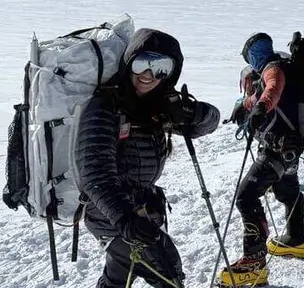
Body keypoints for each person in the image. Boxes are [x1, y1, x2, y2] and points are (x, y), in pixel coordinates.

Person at [75, 28, 221, 288]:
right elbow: (94, 173)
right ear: (129, 62)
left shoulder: (159, 105)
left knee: (119, 272)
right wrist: (125, 219)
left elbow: (208, 124)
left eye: (161, 67)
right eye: (142, 63)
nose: (148, 75)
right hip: (110, 212)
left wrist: (190, 111)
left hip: (140, 207)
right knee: (168, 273)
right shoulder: (104, 106)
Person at [218, 32, 304, 287]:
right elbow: (263, 94)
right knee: (289, 190)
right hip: (290, 147)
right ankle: (296, 240)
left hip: (275, 149)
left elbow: (272, 90)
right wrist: (246, 104)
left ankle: (254, 262)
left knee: (246, 196)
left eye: (250, 54)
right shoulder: (284, 67)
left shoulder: (274, 69)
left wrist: (260, 107)